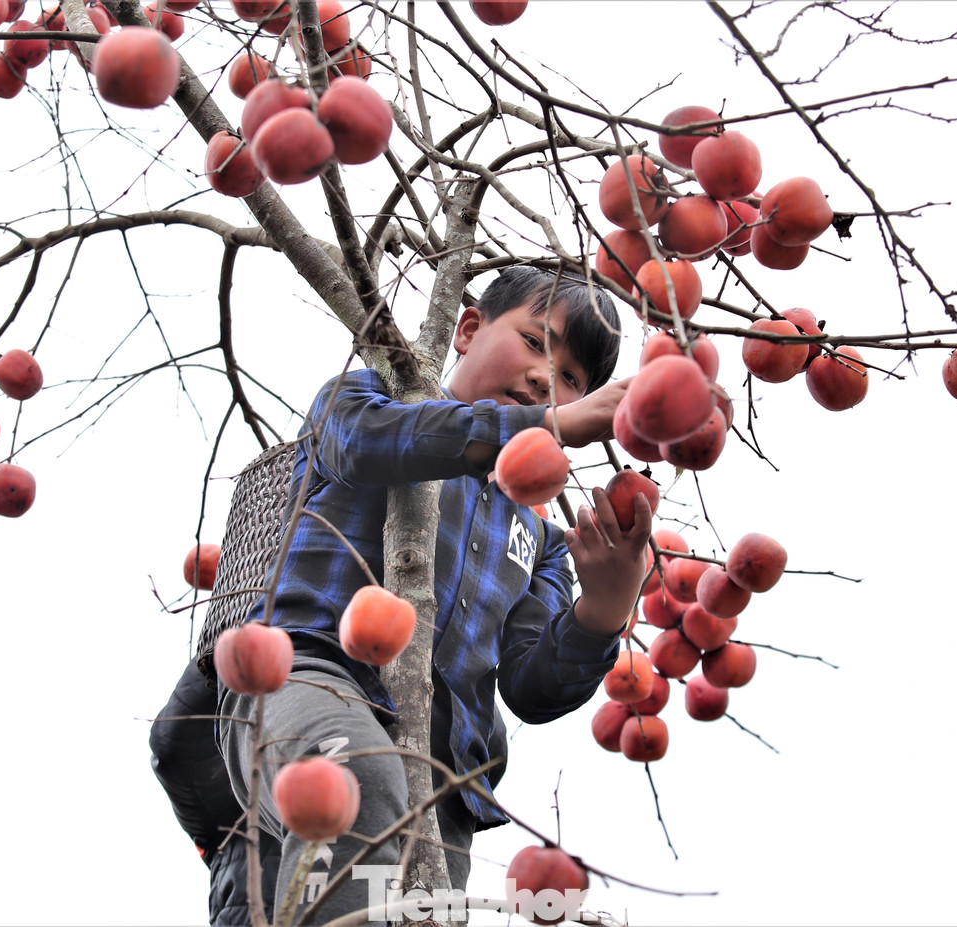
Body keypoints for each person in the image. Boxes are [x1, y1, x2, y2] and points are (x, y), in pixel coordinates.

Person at [213, 266, 654, 925]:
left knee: (405, 907)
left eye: (572, 380)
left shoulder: (542, 539)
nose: (546, 380)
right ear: (469, 329)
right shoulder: (371, 402)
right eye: (537, 343)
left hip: (444, 769)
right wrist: (547, 423)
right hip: (312, 674)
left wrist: (605, 607)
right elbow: (363, 444)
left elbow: (533, 686)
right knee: (356, 791)